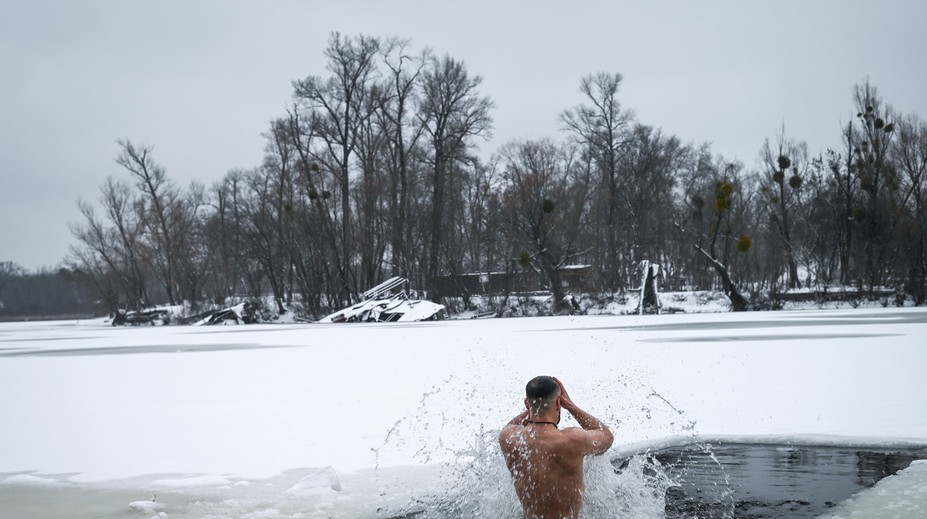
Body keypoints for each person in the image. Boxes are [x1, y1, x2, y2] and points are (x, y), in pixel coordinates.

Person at [499, 376, 614, 519]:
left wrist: (534, 407)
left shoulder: (510, 438)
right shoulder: (572, 439)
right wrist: (571, 406)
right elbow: (606, 436)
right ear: (559, 403)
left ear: (526, 404)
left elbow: (511, 425)